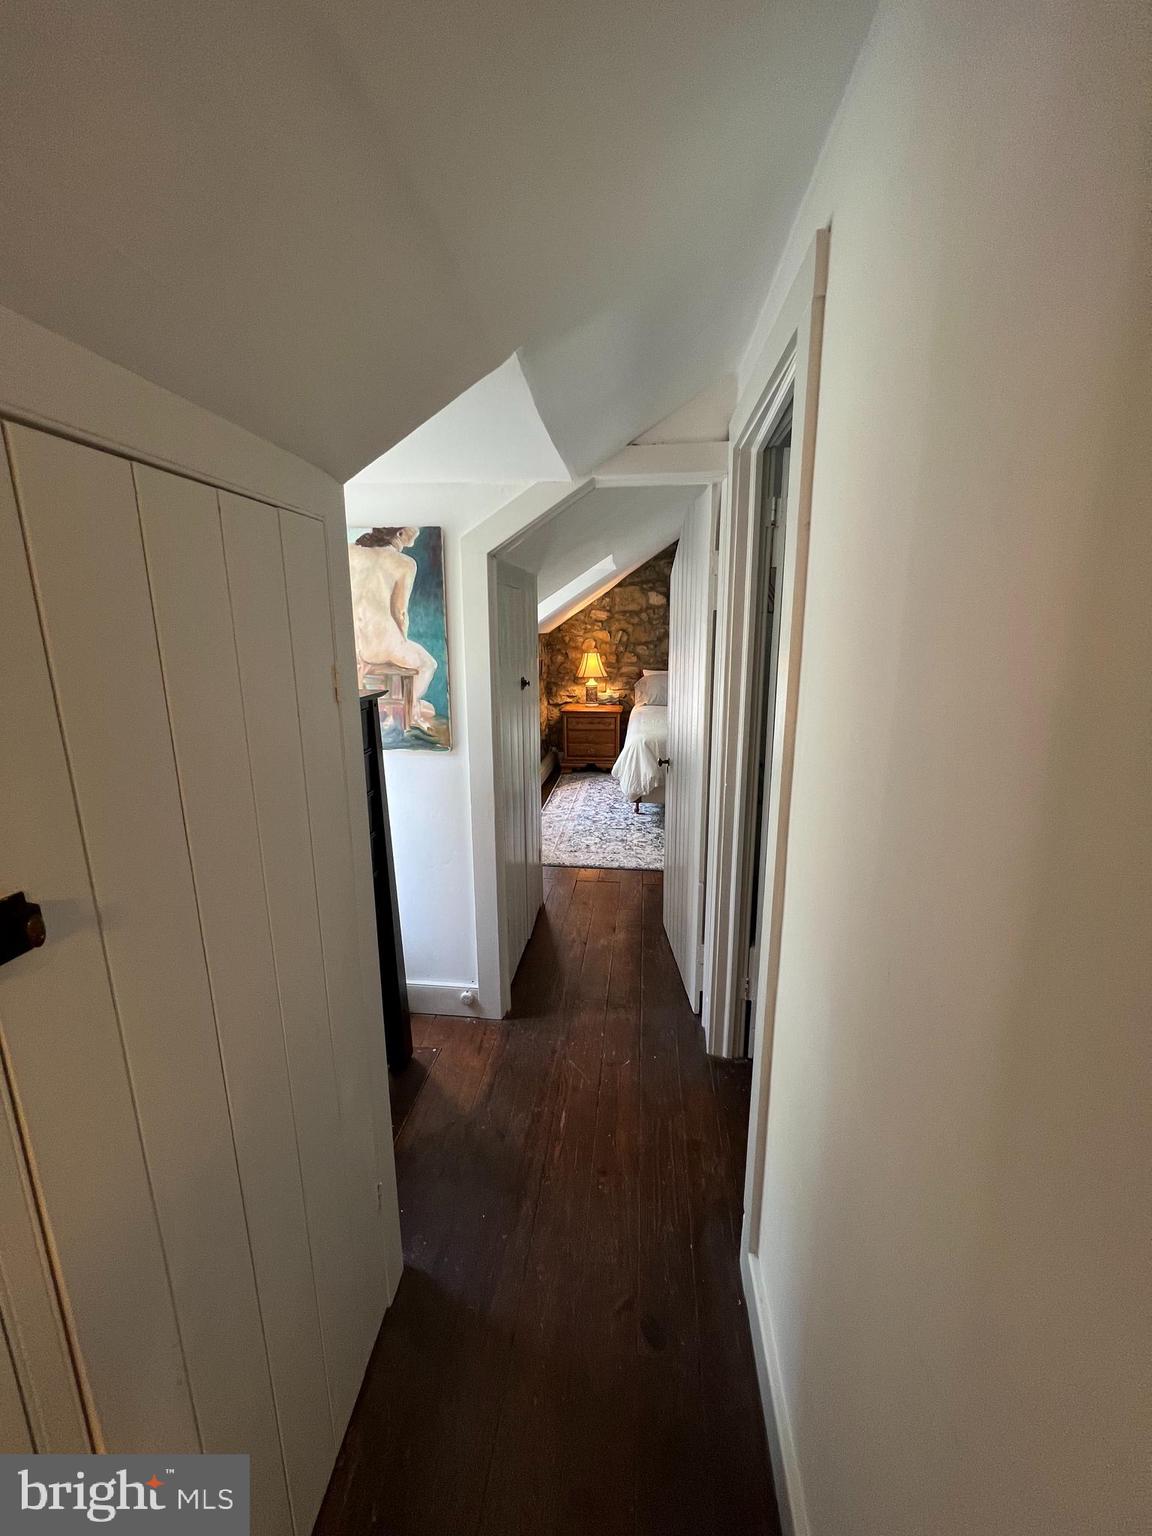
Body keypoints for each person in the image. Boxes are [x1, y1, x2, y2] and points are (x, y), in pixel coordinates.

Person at [348, 526, 438, 741]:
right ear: (399, 533)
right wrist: (401, 641)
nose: (417, 530)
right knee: (428, 664)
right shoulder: (405, 563)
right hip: (382, 644)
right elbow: (400, 611)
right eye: (413, 529)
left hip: (353, 639)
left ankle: (396, 708)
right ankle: (411, 709)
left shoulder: (350, 551)